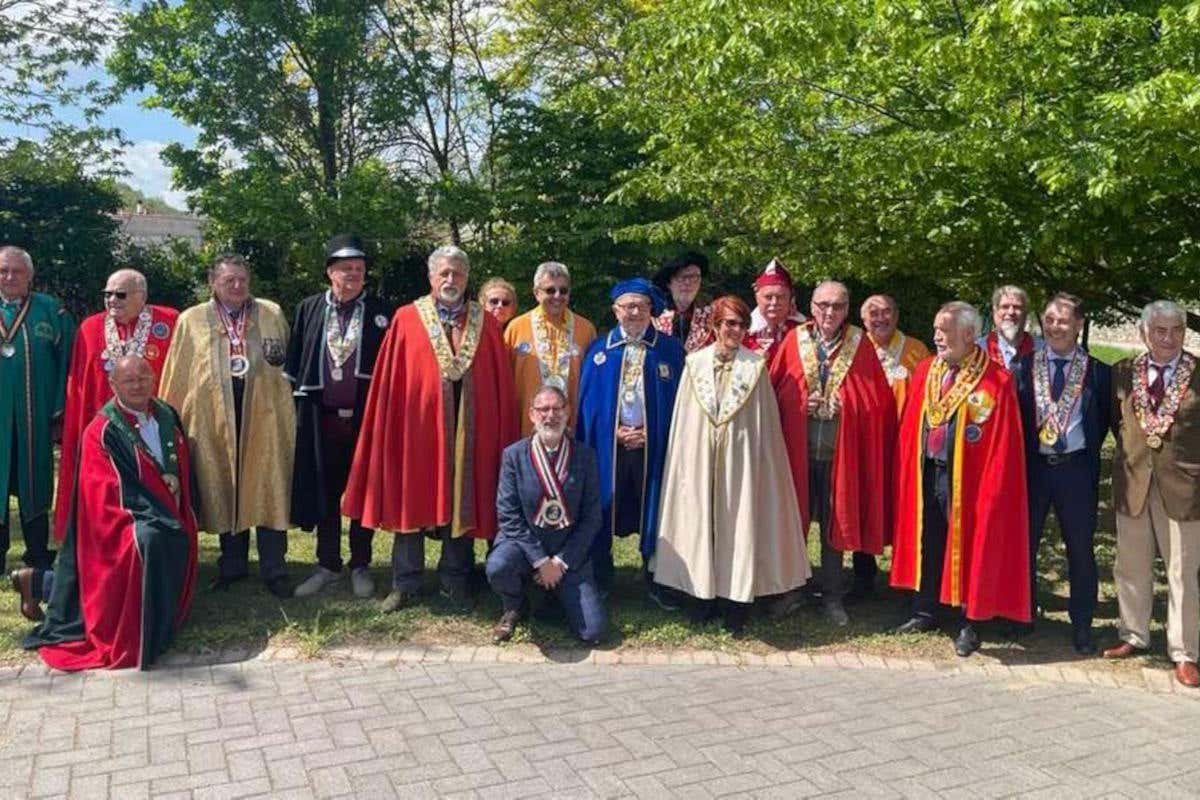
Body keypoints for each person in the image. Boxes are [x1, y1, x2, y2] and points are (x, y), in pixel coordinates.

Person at [342, 245, 518, 612]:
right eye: (444, 273)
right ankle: (405, 582)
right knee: (412, 496)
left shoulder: (485, 323)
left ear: (467, 279)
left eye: (458, 273)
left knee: (463, 496)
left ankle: (455, 580)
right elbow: (393, 379)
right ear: (431, 277)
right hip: (417, 429)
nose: (451, 279)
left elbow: (496, 381)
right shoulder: (407, 318)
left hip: (470, 429)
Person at [20, 355, 198, 670]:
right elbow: (104, 489)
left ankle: (41, 583)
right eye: (129, 380)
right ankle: (141, 633)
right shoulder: (101, 430)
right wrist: (155, 499)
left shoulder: (166, 415)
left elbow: (180, 460)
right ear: (113, 384)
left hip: (166, 508)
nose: (138, 385)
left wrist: (172, 480)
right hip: (119, 518)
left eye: (143, 377)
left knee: (172, 533)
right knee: (147, 541)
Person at [654, 296, 811, 634]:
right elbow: (685, 421)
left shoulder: (755, 367)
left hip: (741, 459)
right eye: (730, 324)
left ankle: (735, 600)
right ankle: (701, 595)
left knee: (737, 522)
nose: (736, 331)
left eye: (742, 325)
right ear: (715, 326)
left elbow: (765, 424)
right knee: (701, 520)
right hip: (701, 457)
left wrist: (760, 462)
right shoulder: (694, 364)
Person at [890, 301, 1031, 657]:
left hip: (971, 480)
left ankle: (971, 621)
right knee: (929, 539)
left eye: (945, 330)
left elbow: (1004, 444)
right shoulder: (926, 370)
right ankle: (926, 610)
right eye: (936, 329)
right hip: (929, 471)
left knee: (971, 545)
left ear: (968, 334)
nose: (937, 336)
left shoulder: (997, 380)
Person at [158, 254, 295, 598]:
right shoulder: (192, 320)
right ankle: (232, 566)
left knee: (267, 486)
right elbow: (178, 372)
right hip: (213, 417)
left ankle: (275, 568)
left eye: (242, 280)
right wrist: (169, 420)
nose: (237, 286)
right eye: (228, 280)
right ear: (212, 283)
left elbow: (287, 365)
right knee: (224, 483)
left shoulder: (271, 313)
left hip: (264, 415)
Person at [771, 281, 896, 623]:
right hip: (796, 452)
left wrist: (849, 406)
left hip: (840, 454)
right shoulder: (793, 340)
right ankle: (791, 590)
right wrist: (799, 403)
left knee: (834, 526)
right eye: (823, 304)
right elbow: (774, 392)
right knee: (792, 523)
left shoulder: (861, 344)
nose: (829, 312)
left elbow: (878, 402)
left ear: (847, 310)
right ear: (811, 306)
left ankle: (831, 596)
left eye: (837, 306)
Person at [287, 234, 395, 599]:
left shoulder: (383, 312)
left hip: (366, 419)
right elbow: (296, 361)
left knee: (363, 490)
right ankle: (327, 564)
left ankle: (360, 564)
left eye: (359, 268)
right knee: (325, 491)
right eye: (346, 267)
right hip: (321, 418)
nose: (353, 274)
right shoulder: (309, 308)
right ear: (330, 271)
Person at [1102, 300, 1200, 689]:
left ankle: (1184, 652)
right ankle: (1133, 634)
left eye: (1177, 330)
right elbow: (1117, 423)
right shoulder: (1123, 372)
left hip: (1185, 487)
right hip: (1133, 483)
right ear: (1144, 332)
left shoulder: (1198, 373)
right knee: (1130, 565)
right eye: (1160, 330)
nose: (1169, 338)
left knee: (1183, 573)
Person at [576, 278, 685, 605]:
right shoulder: (599, 351)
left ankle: (656, 576)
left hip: (655, 446)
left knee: (656, 507)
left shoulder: (670, 350)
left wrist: (652, 433)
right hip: (611, 447)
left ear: (651, 309)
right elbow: (589, 407)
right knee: (603, 505)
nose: (635, 312)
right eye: (628, 307)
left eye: (641, 306)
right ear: (615, 310)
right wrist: (612, 432)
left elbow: (681, 404)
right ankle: (601, 575)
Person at [1012, 294, 1110, 654]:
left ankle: (1082, 623)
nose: (1055, 327)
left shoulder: (1098, 371)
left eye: (1063, 320)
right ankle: (1022, 614)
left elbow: (1102, 422)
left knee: (1080, 550)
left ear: (1079, 324)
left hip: (1076, 471)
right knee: (1025, 544)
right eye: (1049, 320)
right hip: (1034, 470)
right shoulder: (1023, 367)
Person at [55, 268, 178, 544]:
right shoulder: (90, 328)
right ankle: (100, 540)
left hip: (153, 429)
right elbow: (79, 385)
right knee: (106, 489)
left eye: (120, 294)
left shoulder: (170, 323)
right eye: (107, 294)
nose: (112, 300)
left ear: (142, 296)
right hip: (105, 432)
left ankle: (161, 541)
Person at [487, 386, 607, 644]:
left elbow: (592, 516)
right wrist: (541, 561)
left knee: (593, 632)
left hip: (568, 552)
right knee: (499, 566)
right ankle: (514, 605)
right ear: (532, 414)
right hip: (523, 548)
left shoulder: (585, 456)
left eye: (556, 409)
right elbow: (508, 515)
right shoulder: (514, 455)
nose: (550, 415)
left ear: (567, 412)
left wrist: (560, 562)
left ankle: (553, 593)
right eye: (543, 409)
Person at [0, 246, 74, 571]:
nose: (9, 277)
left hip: (36, 417)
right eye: (3, 271)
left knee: (36, 481)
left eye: (16, 271)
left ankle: (38, 553)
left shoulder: (51, 311)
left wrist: (59, 410)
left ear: (29, 275)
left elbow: (69, 363)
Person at [504, 262, 597, 435]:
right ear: (536, 293)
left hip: (572, 430)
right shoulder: (516, 328)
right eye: (550, 290)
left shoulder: (586, 329)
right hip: (526, 429)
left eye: (563, 290)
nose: (557, 296)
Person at [861, 293, 930, 414]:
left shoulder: (917, 349)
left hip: (905, 422)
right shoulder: (855, 350)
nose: (881, 318)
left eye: (886, 312)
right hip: (866, 422)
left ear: (896, 316)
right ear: (864, 320)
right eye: (873, 313)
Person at [742, 258, 802, 365]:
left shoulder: (805, 330)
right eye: (768, 297)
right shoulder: (741, 329)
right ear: (757, 298)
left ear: (791, 298)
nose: (774, 302)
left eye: (780, 297)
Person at [652, 251, 715, 353]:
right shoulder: (652, 315)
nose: (688, 283)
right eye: (681, 277)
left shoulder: (712, 316)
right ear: (669, 283)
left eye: (694, 277)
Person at [978, 285, 1040, 369]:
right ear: (995, 311)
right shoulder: (977, 350)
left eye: (1017, 307)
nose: (1011, 312)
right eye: (1005, 307)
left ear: (1025, 313)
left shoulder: (1042, 349)